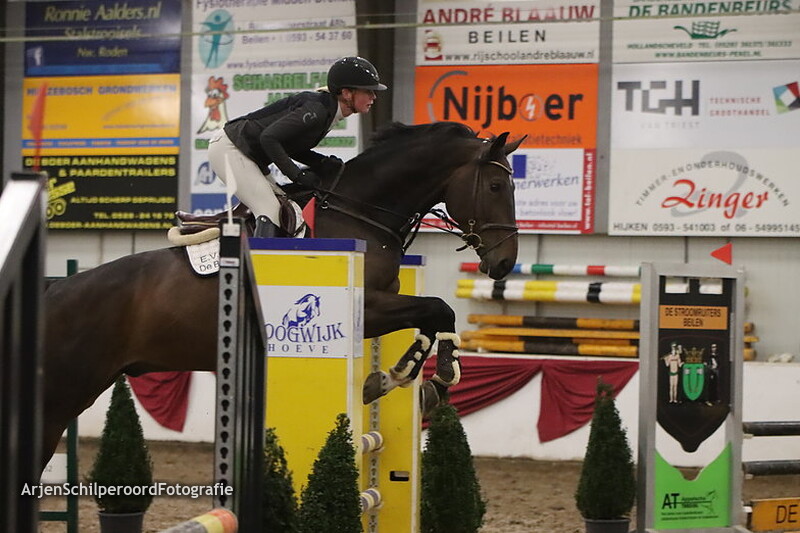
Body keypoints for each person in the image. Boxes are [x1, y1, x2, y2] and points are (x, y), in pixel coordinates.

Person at [207, 56, 387, 237]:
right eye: (368, 91)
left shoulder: (328, 111)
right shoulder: (317, 111)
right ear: (347, 93)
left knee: (287, 208)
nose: (374, 97)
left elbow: (290, 146)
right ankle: (259, 264)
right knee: (269, 210)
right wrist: (297, 174)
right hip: (229, 149)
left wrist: (322, 162)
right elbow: (269, 138)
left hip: (247, 154)